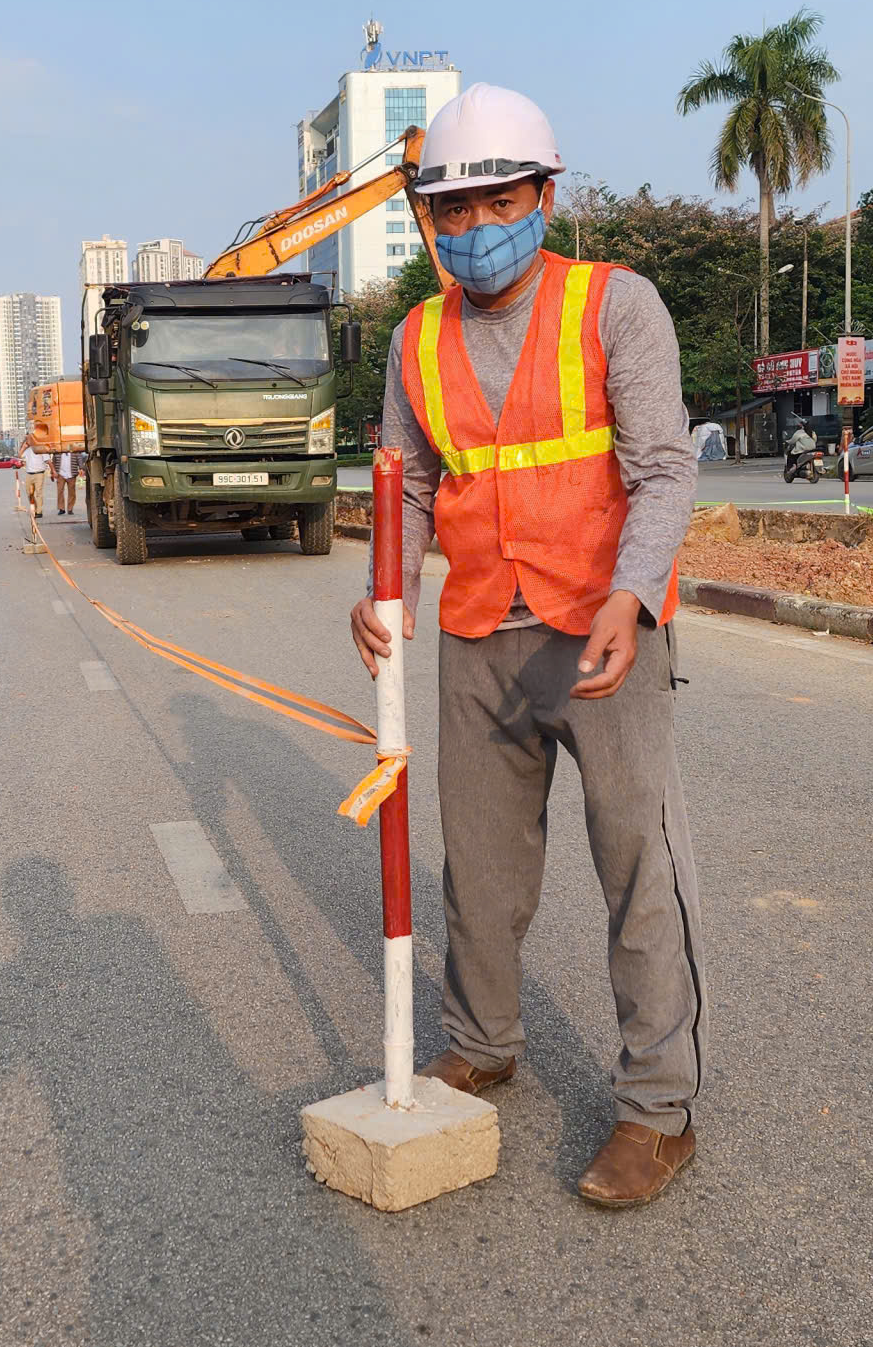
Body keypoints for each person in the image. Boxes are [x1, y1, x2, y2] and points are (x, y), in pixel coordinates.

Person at [346, 83, 703, 1209]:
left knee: (639, 868)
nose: (473, 229)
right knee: (481, 871)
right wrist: (383, 595)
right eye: (449, 212)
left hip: (601, 631)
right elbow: (404, 490)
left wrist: (634, 597)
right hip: (477, 633)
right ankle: (482, 1041)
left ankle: (656, 1109)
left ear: (545, 196)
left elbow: (662, 469)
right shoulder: (416, 335)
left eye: (496, 201)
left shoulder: (615, 306)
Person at [20, 431, 50, 517]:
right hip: (29, 474)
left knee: (38, 492)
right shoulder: (27, 450)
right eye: (26, 440)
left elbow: (48, 460)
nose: (27, 441)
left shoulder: (41, 448)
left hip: (39, 474)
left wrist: (53, 471)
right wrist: (23, 447)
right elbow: (20, 456)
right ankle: (36, 507)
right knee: (29, 493)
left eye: (28, 439)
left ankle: (39, 512)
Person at [54, 448, 80, 516]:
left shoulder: (75, 452)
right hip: (60, 474)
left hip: (72, 474)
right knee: (60, 491)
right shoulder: (57, 453)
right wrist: (53, 472)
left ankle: (70, 509)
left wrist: (82, 468)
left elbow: (79, 460)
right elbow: (54, 462)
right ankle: (61, 508)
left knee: (72, 492)